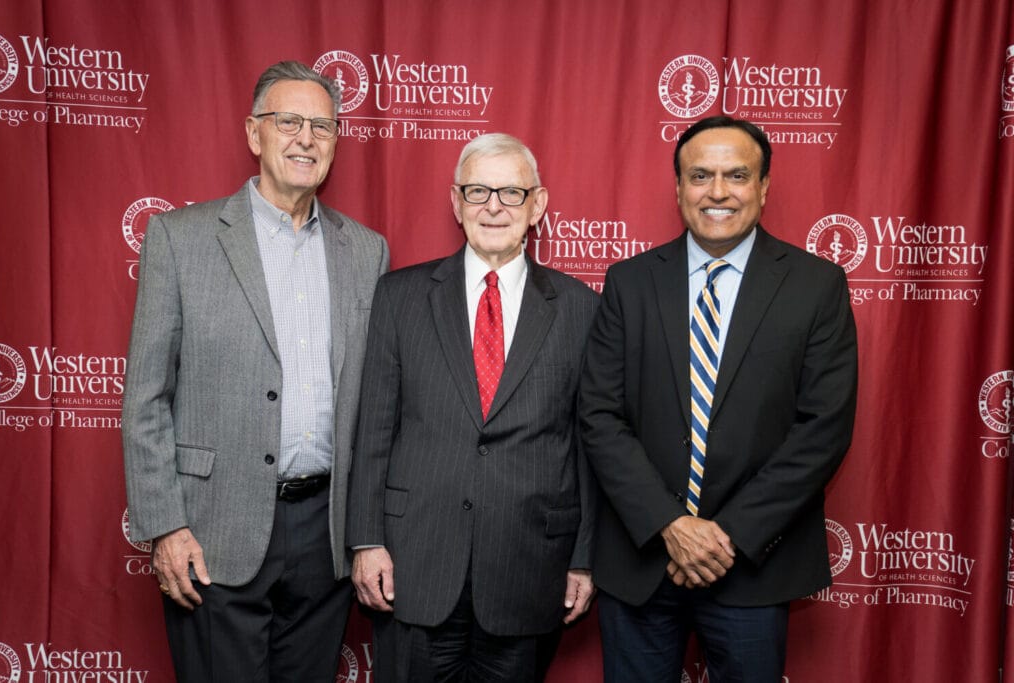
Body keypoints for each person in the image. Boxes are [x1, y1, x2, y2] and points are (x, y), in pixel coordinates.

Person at [122, 60, 388, 681]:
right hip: (213, 533)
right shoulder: (179, 238)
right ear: (253, 133)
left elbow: (374, 401)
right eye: (288, 121)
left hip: (325, 533)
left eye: (322, 127)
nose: (306, 138)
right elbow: (145, 398)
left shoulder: (367, 251)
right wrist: (166, 526)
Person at [578, 116, 858, 682]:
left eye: (737, 175)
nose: (718, 192)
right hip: (641, 561)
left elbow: (822, 428)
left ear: (764, 187)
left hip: (754, 565)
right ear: (678, 187)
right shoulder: (629, 282)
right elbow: (600, 415)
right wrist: (672, 526)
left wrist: (724, 539)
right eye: (700, 175)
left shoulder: (815, 285)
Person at [347, 133, 597, 682]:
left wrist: (581, 556)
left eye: (511, 192)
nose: (493, 207)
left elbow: (588, 444)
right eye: (478, 190)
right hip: (413, 564)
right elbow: (373, 430)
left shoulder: (581, 308)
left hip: (529, 568)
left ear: (539, 204)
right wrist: (366, 540)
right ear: (455, 202)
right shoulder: (400, 297)